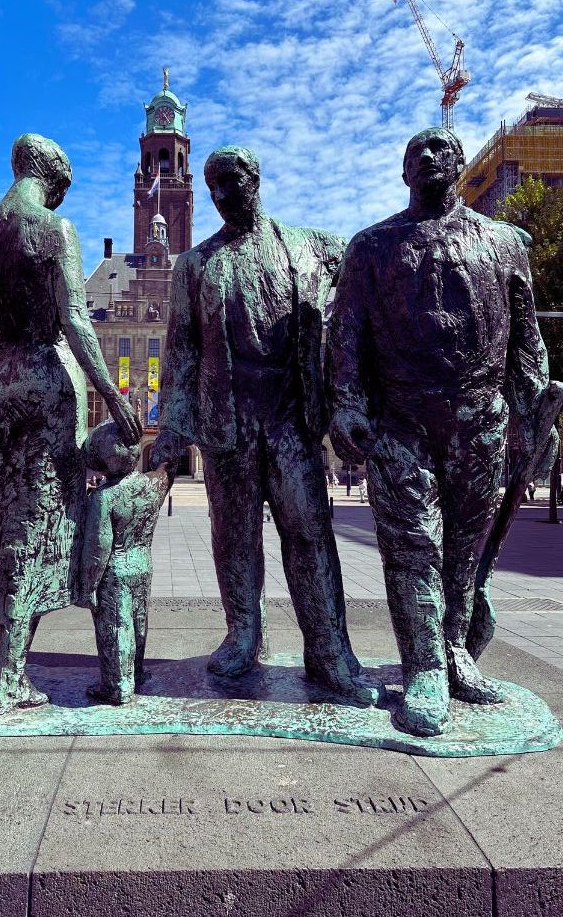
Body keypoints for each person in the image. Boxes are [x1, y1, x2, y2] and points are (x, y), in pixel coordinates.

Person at [326, 126, 554, 736]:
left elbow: (528, 340)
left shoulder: (504, 243)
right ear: (403, 173)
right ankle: (423, 666)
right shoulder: (372, 248)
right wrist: (346, 402)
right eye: (414, 153)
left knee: (465, 547)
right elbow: (344, 333)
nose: (427, 158)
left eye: (440, 150)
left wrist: (535, 414)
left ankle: (453, 647)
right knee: (410, 544)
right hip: (401, 420)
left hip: (481, 419)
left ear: (457, 164)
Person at [152, 145, 377, 705]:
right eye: (212, 188)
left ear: (255, 178)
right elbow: (180, 350)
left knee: (309, 533)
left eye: (231, 181)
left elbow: (365, 295)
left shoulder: (312, 247)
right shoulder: (195, 265)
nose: (222, 195)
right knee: (233, 539)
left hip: (290, 420)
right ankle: (243, 634)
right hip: (227, 422)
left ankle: (328, 650)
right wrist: (174, 428)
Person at [0, 133, 142, 716]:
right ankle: (11, 680)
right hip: (44, 379)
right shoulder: (54, 231)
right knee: (34, 525)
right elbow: (78, 325)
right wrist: (111, 395)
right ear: (54, 179)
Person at [77, 420, 176, 704]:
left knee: (116, 627)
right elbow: (164, 474)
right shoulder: (151, 486)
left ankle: (117, 685)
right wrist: (162, 462)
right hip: (143, 564)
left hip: (115, 571)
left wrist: (88, 586)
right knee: (139, 622)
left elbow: (99, 547)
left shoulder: (104, 497)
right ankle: (137, 672)